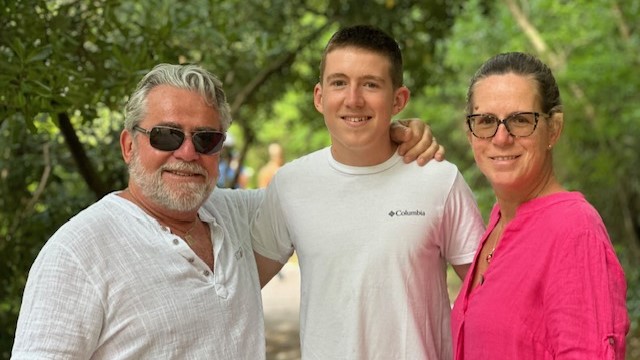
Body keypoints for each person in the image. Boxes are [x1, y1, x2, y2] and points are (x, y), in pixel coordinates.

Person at [12, 63, 442, 358]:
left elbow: (333, 183)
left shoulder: (234, 217)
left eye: (205, 140)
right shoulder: (77, 253)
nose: (186, 152)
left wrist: (393, 135)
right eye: (165, 136)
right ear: (129, 145)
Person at [251, 25, 485, 359]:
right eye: (339, 82)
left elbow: (490, 298)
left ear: (398, 100)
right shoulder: (290, 184)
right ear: (320, 97)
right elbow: (238, 292)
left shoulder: (439, 181)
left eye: (371, 84)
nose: (353, 99)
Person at [451, 52, 629, 359]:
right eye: (486, 121)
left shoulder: (573, 229)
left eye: (521, 120)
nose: (501, 138)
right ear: (471, 134)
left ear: (553, 129)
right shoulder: (498, 221)